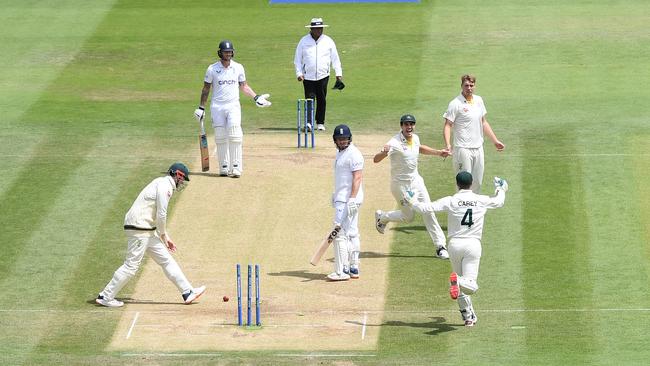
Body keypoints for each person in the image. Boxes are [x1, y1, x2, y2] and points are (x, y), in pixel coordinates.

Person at [403, 171, 508, 326]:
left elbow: (426, 208)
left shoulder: (451, 200)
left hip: (454, 245)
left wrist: (411, 201)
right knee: (470, 284)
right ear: (471, 184)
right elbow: (499, 201)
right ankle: (457, 282)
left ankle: (468, 317)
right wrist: (501, 188)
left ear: (457, 184)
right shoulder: (481, 200)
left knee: (462, 284)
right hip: (472, 244)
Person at [95, 163, 206, 307]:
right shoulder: (165, 187)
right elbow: (161, 213)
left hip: (145, 229)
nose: (182, 182)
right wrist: (163, 235)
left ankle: (187, 292)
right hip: (139, 228)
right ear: (178, 175)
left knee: (166, 260)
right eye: (183, 179)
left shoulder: (160, 182)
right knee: (131, 266)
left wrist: (164, 236)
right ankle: (106, 296)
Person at [373, 114, 450, 260]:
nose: (409, 127)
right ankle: (383, 217)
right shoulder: (394, 142)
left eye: (411, 124)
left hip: (416, 182)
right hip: (400, 186)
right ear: (401, 126)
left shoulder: (415, 138)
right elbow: (376, 160)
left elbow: (420, 148)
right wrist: (383, 152)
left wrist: (438, 152)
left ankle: (440, 246)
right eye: (406, 124)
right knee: (408, 217)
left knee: (429, 210)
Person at [194, 40, 271, 178]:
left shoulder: (238, 67)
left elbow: (244, 86)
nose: (228, 54)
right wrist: (201, 107)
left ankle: (236, 167)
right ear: (220, 53)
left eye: (230, 52)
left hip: (233, 105)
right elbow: (206, 89)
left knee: (235, 134)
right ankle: (223, 167)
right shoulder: (212, 69)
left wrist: (256, 97)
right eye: (225, 52)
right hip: (217, 107)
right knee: (220, 136)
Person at [442, 74, 505, 193]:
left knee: (477, 183)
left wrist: (495, 141)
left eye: (471, 85)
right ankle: (461, 210)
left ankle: (474, 211)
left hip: (478, 148)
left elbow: (483, 122)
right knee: (464, 184)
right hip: (463, 149)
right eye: (466, 85)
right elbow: (447, 125)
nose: (469, 88)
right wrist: (448, 144)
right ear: (461, 86)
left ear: (474, 86)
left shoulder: (479, 100)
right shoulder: (455, 104)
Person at [294, 17, 343, 132]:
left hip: (323, 75)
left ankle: (320, 122)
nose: (319, 30)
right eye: (316, 28)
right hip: (308, 76)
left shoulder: (328, 41)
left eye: (320, 28)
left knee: (322, 99)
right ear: (311, 29)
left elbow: (335, 58)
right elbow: (297, 59)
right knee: (310, 99)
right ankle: (309, 123)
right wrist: (299, 73)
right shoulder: (304, 41)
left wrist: (338, 73)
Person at [328, 124, 363, 281]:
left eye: (345, 139)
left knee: (339, 234)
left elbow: (357, 177)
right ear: (335, 140)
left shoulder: (354, 154)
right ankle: (353, 267)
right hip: (343, 198)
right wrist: (336, 195)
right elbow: (343, 178)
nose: (342, 141)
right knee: (352, 232)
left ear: (350, 139)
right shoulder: (340, 152)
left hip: (348, 200)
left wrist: (352, 199)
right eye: (339, 139)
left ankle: (341, 271)